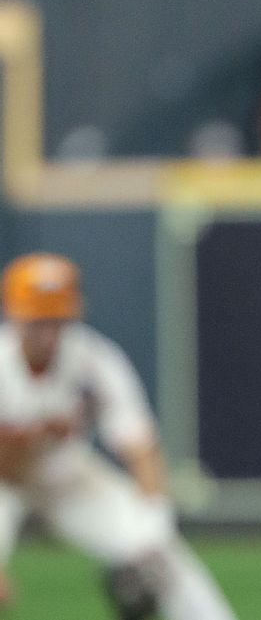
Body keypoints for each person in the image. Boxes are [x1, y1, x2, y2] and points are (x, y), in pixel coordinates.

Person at [0, 253, 237, 619]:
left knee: (165, 559)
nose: (49, 333)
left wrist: (153, 529)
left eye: (57, 320)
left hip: (68, 479)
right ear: (14, 314)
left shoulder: (93, 360)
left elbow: (140, 447)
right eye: (38, 321)